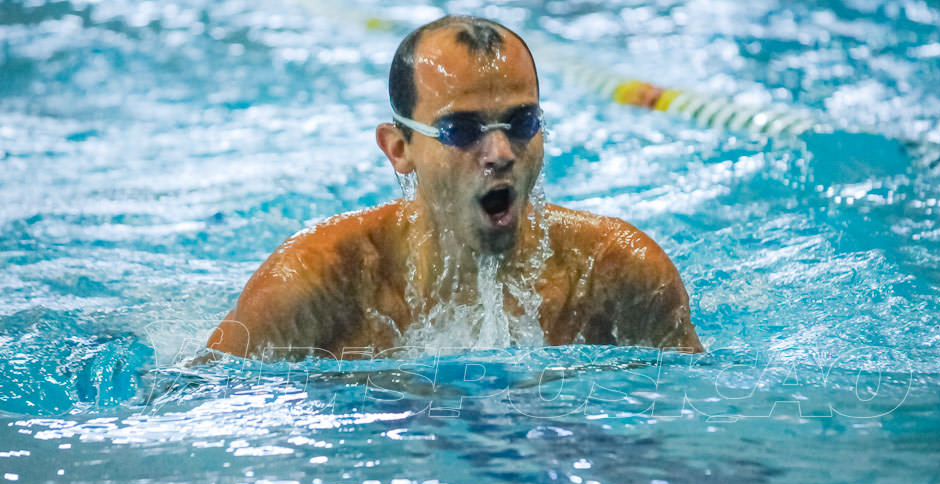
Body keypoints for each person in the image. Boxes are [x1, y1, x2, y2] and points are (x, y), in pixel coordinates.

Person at [205, 15, 702, 360]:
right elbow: (196, 405)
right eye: (461, 130)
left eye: (521, 121)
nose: (501, 151)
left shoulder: (618, 274)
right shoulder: (313, 285)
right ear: (399, 148)